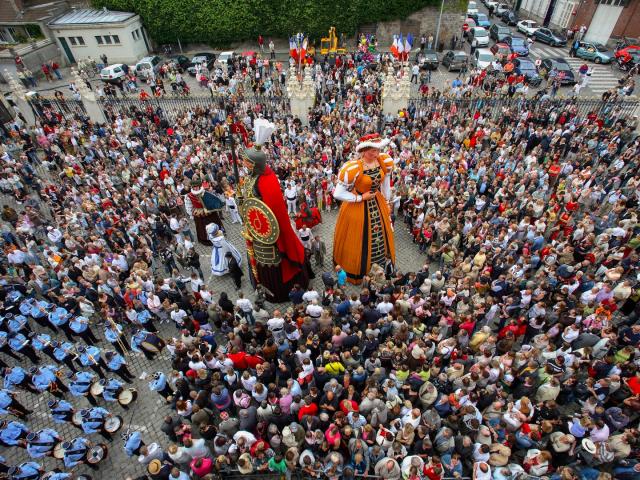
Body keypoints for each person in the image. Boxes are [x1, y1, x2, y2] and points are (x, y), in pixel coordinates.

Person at [237, 119, 309, 302]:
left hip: (268, 234)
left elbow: (273, 211)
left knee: (271, 258)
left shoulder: (268, 182)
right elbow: (250, 203)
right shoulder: (251, 178)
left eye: (247, 162)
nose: (244, 165)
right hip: (255, 228)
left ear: (255, 164)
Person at [333, 133, 395, 284]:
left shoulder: (382, 161)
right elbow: (338, 193)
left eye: (377, 150)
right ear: (363, 151)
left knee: (382, 232)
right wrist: (360, 197)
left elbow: (386, 182)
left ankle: (381, 265)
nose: (375, 153)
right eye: (372, 151)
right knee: (356, 238)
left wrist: (387, 201)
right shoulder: (353, 167)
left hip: (377, 201)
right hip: (357, 205)